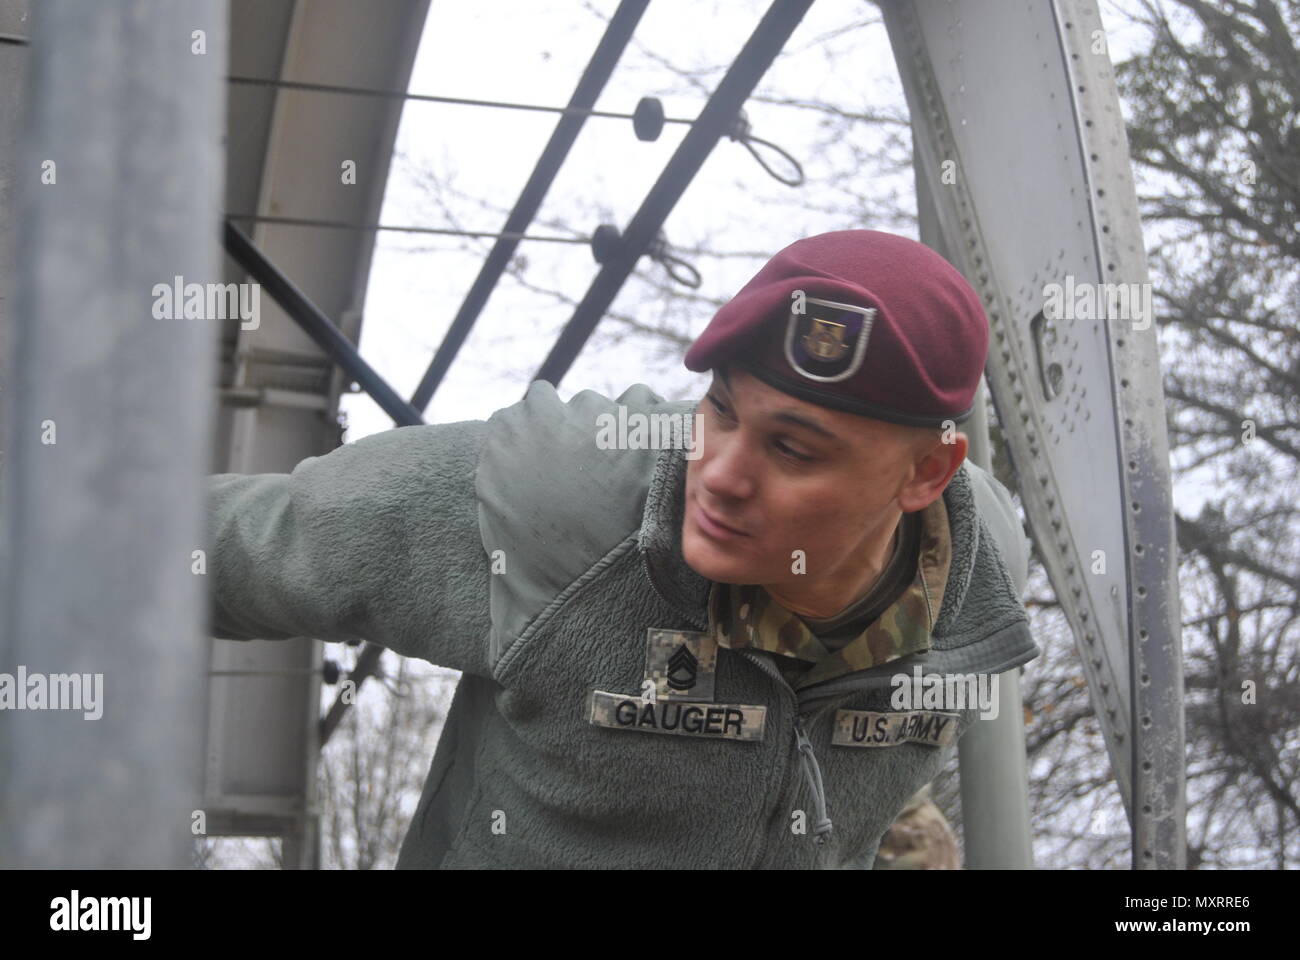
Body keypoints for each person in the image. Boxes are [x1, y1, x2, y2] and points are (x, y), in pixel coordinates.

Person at [207, 229, 1038, 869]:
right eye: (721, 409)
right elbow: (235, 546)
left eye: (793, 449)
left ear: (926, 474)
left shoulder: (979, 589)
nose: (720, 475)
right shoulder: (562, 506)